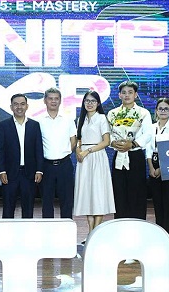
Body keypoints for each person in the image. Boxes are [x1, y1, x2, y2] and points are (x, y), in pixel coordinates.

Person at [108, 81, 154, 220]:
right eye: (124, 92)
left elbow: (148, 134)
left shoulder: (143, 113)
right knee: (119, 192)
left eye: (130, 92)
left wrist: (132, 144)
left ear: (136, 95)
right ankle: (120, 223)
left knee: (137, 192)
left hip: (135, 156)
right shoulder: (112, 113)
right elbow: (107, 133)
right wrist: (113, 142)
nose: (127, 95)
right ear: (119, 95)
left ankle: (138, 223)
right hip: (119, 154)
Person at [0, 93, 44, 219]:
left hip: (29, 174)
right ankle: (7, 231)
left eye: (22, 104)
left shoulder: (34, 125)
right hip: (9, 174)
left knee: (28, 210)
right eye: (16, 104)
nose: (19, 107)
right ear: (11, 107)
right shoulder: (3, 125)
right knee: (8, 209)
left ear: (27, 106)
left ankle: (27, 232)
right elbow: (0, 150)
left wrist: (39, 170)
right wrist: (1, 171)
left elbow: (38, 149)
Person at [73, 91, 115, 235]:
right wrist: (78, 150)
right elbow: (78, 140)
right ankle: (91, 231)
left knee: (98, 193)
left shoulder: (102, 118)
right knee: (87, 194)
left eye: (93, 101)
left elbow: (106, 141)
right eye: (87, 101)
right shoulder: (81, 119)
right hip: (84, 160)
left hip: (97, 157)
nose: (89, 103)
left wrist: (88, 151)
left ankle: (95, 232)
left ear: (98, 103)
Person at [38, 87, 76, 219]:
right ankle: (48, 229)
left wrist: (64, 153)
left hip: (64, 165)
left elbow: (73, 141)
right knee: (46, 201)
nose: (53, 101)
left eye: (56, 99)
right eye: (50, 98)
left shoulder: (68, 119)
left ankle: (67, 227)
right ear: (45, 100)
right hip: (46, 166)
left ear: (60, 101)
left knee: (67, 201)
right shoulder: (38, 121)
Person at [147, 98, 169, 241]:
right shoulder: (151, 127)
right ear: (156, 111)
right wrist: (151, 167)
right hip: (153, 166)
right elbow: (148, 149)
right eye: (160, 109)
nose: (163, 111)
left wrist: (161, 167)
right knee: (158, 204)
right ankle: (160, 236)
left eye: (166, 109)